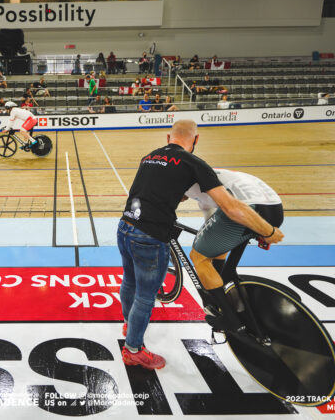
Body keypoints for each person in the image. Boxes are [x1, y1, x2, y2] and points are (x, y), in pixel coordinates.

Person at [118, 120, 284, 370]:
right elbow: (230, 207)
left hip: (125, 226)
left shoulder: (149, 157)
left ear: (167, 138)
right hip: (150, 237)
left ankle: (130, 324)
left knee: (130, 281)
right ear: (196, 140)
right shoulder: (194, 164)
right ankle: (133, 350)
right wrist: (268, 231)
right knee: (146, 296)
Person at [184, 168, 283, 328]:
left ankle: (229, 319)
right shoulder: (204, 178)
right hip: (274, 208)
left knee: (199, 257)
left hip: (248, 210)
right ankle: (226, 284)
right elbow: (210, 219)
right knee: (216, 245)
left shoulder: (181, 181)